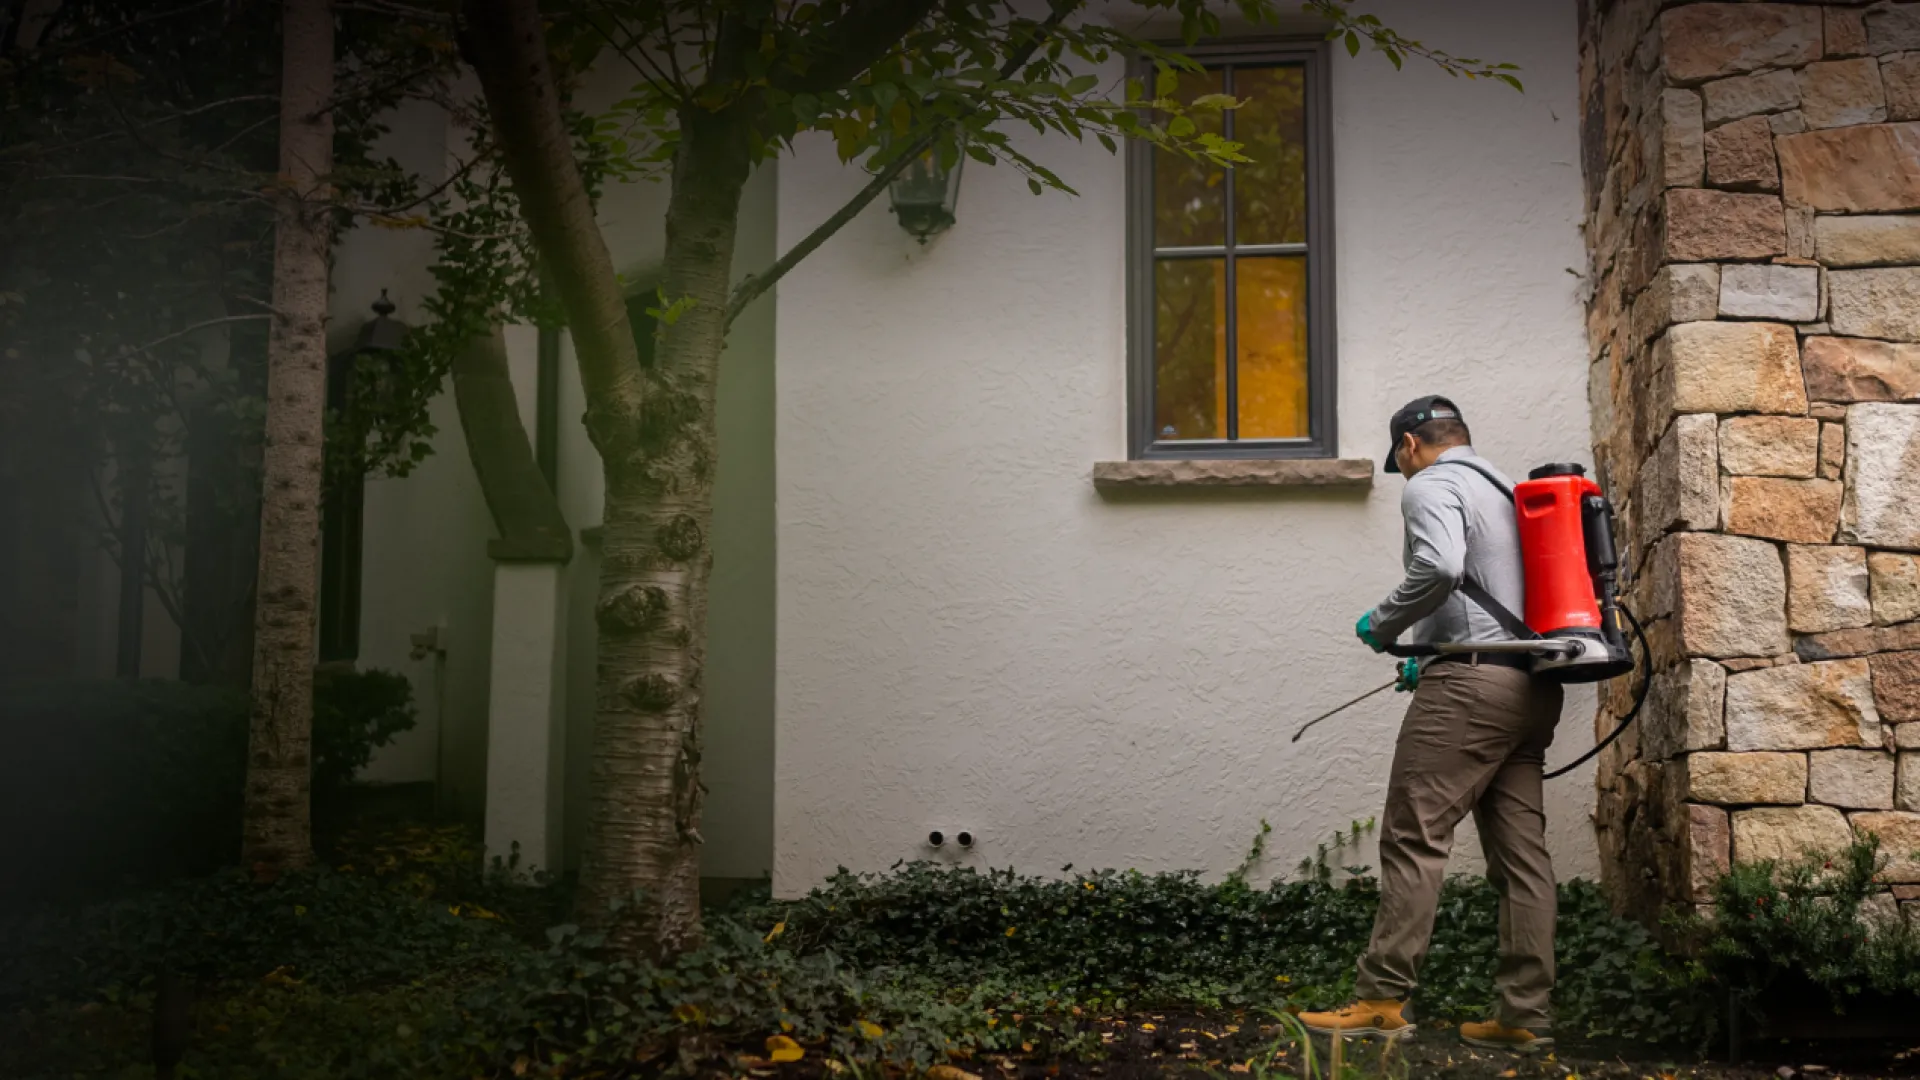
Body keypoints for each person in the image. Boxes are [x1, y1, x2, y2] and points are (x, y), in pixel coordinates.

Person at [1297, 395, 1564, 1054]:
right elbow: (1489, 586)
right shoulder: (1505, 488)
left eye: (1401, 461)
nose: (1404, 472)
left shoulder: (1431, 484)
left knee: (1414, 834)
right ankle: (1523, 1016)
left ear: (1410, 446)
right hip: (1531, 689)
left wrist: (1385, 625)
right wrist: (1427, 648)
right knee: (1523, 860)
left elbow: (1442, 567)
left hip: (1470, 690)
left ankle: (1380, 999)